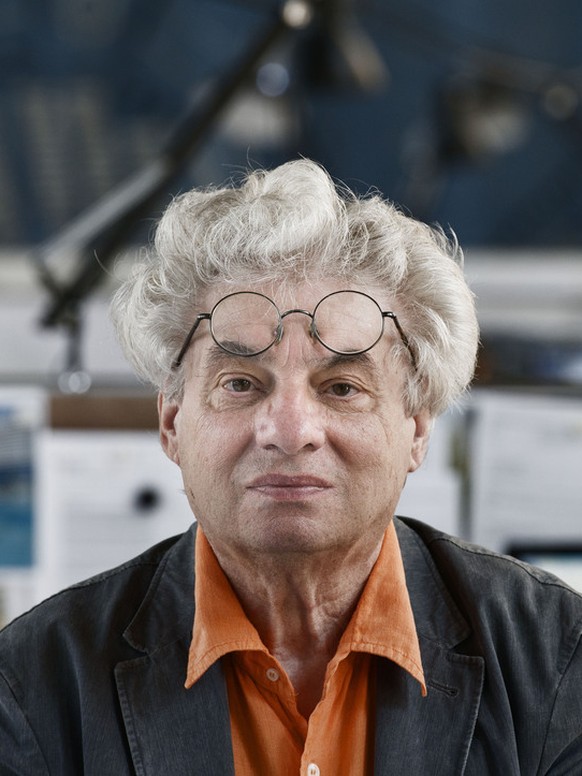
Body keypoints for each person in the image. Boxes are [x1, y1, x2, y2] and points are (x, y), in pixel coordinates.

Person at [1, 159, 581, 776]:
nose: (290, 431)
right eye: (242, 383)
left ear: (416, 428)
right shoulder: (33, 684)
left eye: (342, 388)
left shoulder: (554, 660)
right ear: (172, 423)